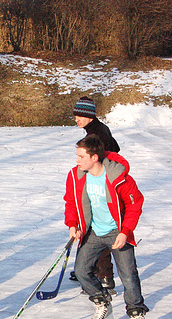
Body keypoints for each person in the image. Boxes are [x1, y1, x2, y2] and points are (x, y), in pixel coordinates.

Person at [64, 134, 150, 319]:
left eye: (81, 156)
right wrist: (73, 224)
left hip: (117, 232)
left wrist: (125, 231)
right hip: (93, 231)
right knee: (82, 271)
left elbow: (134, 204)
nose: (77, 160)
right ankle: (102, 302)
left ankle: (136, 312)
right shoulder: (76, 176)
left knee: (129, 276)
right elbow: (71, 202)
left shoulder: (118, 176)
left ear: (94, 157)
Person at [71, 96, 120, 294]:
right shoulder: (97, 129)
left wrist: (103, 174)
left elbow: (111, 153)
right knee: (92, 226)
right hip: (99, 182)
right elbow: (115, 148)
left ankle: (104, 276)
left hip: (102, 186)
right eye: (75, 115)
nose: (76, 118)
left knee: (97, 228)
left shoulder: (97, 134)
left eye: (80, 115)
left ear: (89, 115)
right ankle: (87, 268)